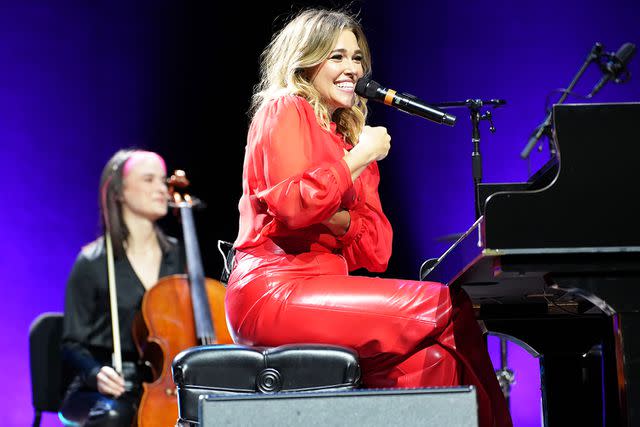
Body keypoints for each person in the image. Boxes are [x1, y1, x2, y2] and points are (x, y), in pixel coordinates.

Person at [224, 8, 512, 427]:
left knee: (431, 356)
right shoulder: (284, 110)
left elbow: (376, 249)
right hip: (273, 289)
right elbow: (291, 206)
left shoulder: (351, 135)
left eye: (357, 58)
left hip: (328, 289)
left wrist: (338, 209)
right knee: (447, 304)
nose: (351, 69)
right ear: (306, 61)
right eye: (336, 56)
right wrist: (355, 162)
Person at [60, 149, 184, 426]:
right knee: (115, 414)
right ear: (119, 192)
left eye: (163, 180)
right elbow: (71, 343)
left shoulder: (178, 255)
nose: (161, 189)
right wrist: (96, 374)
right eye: (149, 180)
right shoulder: (93, 262)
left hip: (165, 383)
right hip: (106, 384)